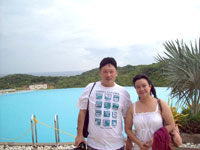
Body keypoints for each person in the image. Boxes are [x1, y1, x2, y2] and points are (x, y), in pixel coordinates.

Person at [75, 57, 132, 150]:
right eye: (105, 71)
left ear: (116, 73)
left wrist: (129, 138)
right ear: (100, 72)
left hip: (117, 145)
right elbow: (82, 112)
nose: (108, 75)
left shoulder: (123, 92)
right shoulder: (90, 88)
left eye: (111, 71)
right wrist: (79, 135)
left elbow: (127, 117)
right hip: (93, 144)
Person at [125, 74, 175, 150]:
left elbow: (171, 125)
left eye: (144, 86)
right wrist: (139, 143)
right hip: (139, 147)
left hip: (158, 145)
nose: (141, 89)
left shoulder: (160, 103)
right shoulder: (133, 107)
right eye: (138, 87)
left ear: (150, 86)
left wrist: (155, 138)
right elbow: (127, 129)